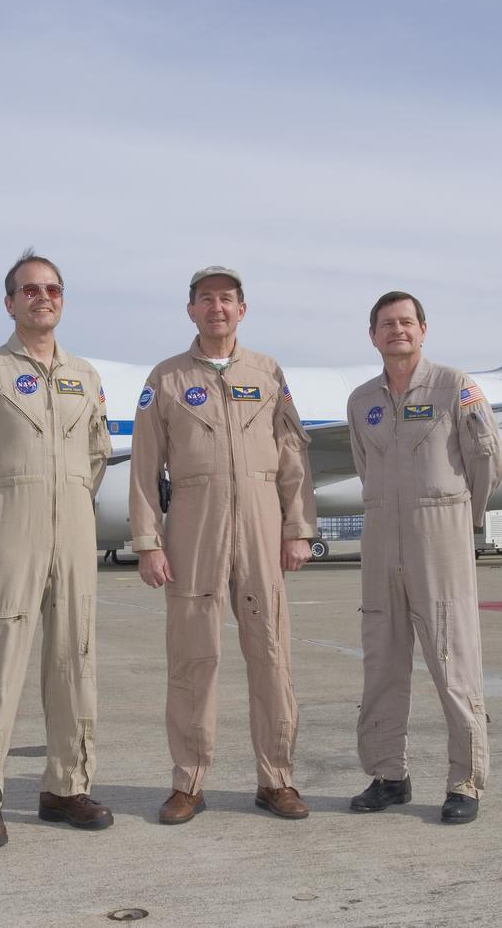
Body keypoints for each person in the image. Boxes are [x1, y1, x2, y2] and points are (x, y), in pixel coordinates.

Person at [0, 248, 113, 850]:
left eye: (53, 290)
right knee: (0, 656)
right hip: (13, 520)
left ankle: (66, 785)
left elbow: (96, 451)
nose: (43, 298)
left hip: (74, 525)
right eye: (30, 290)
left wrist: (73, 497)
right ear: (9, 302)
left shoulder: (84, 375)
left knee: (76, 656)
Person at [129, 265, 318, 825]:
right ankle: (187, 783)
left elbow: (292, 454)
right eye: (206, 299)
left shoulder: (267, 372)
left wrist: (297, 528)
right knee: (192, 658)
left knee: (272, 655)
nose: (217, 308)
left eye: (227, 299)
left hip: (261, 523)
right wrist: (148, 541)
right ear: (191, 310)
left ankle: (277, 779)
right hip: (193, 523)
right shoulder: (165, 378)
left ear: (242, 309)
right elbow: (143, 467)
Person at [345, 291, 502, 824]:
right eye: (387, 324)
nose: (398, 330)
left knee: (452, 660)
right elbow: (365, 466)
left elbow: (488, 461)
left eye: (406, 322)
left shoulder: (455, 388)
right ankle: (389, 775)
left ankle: (465, 781)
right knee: (382, 662)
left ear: (423, 329)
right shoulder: (362, 400)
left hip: (439, 533)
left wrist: (459, 517)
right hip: (380, 537)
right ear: (373, 335)